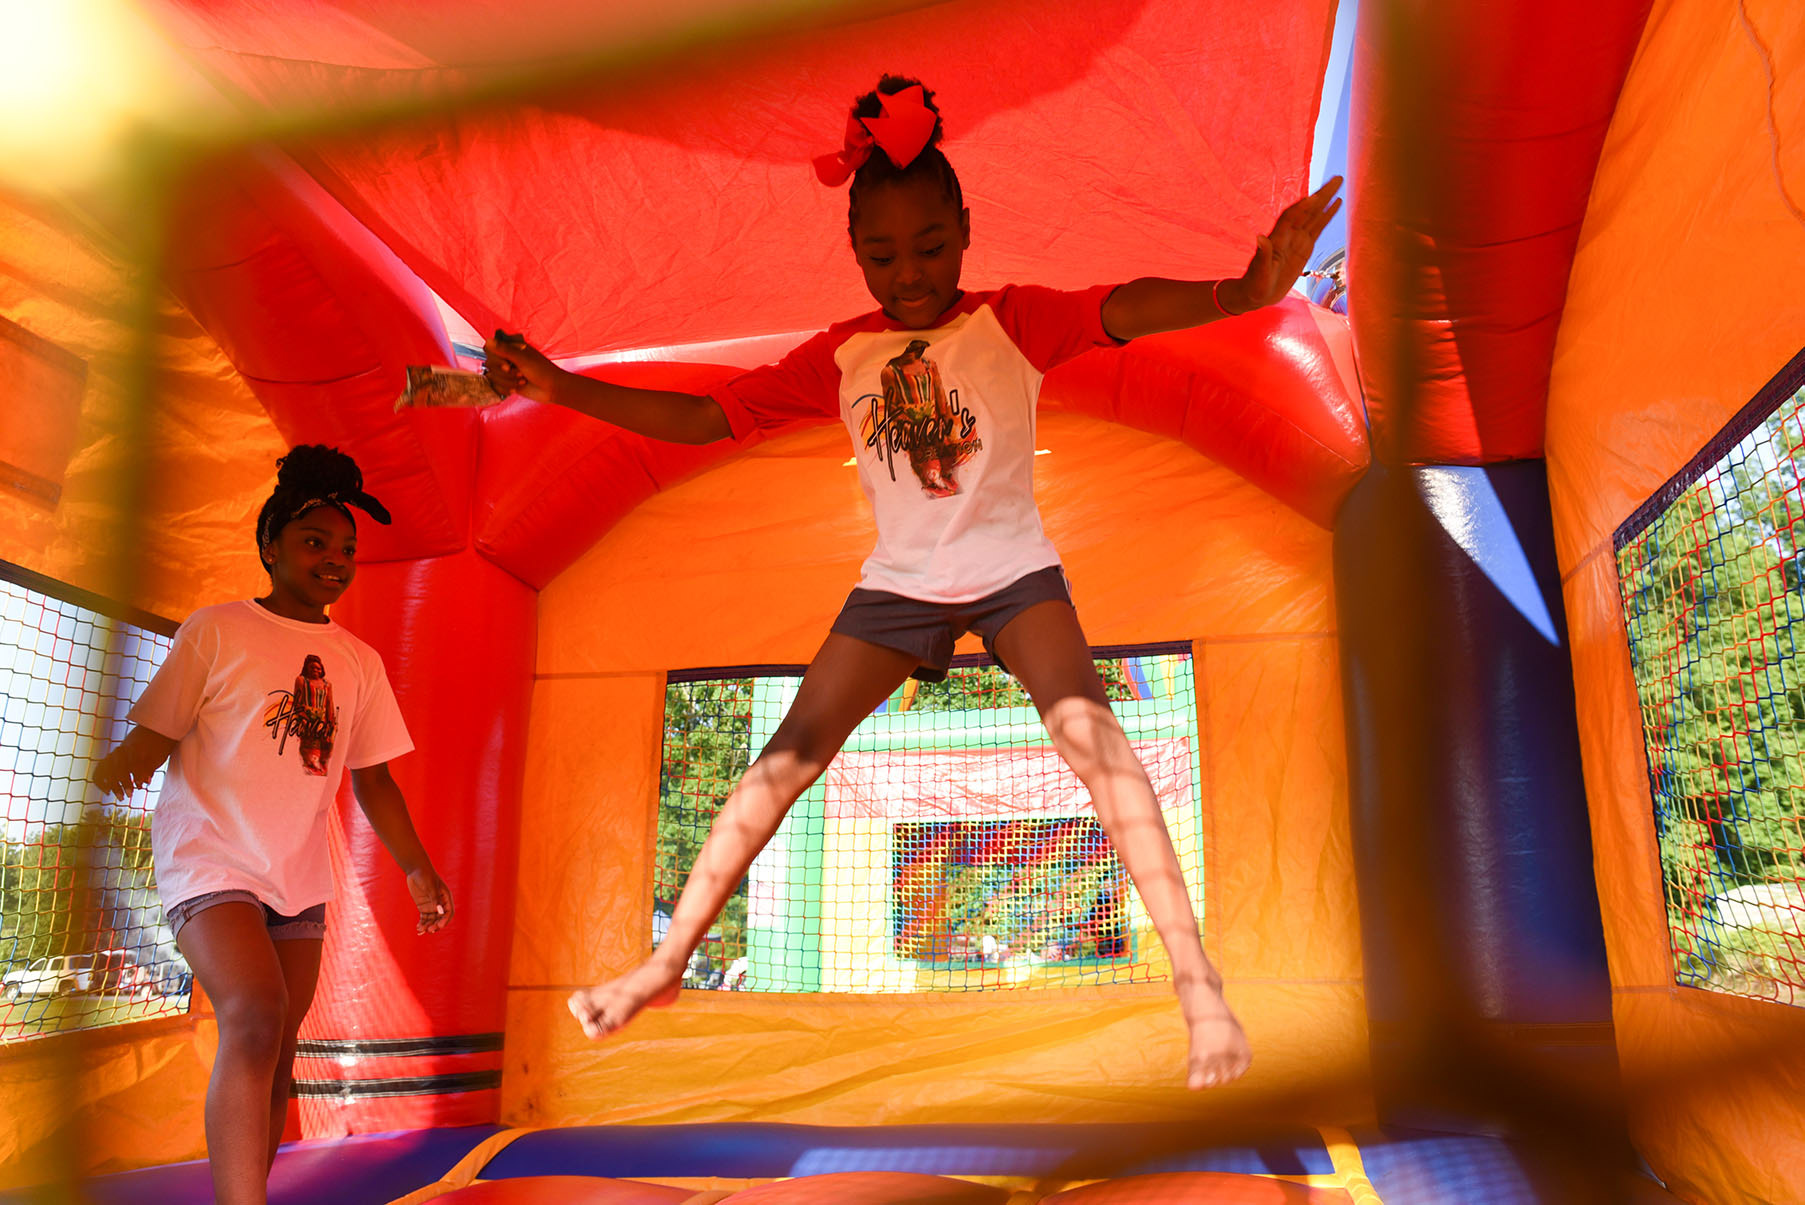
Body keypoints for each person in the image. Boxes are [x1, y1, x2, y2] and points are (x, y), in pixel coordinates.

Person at [484, 76, 1340, 1091]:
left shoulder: (1012, 322)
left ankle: (1197, 981)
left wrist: (1239, 296)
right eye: (884, 256)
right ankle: (667, 962)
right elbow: (706, 418)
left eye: (930, 248)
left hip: (1012, 571)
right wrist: (558, 385)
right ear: (854, 254)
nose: (910, 274)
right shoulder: (840, 356)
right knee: (786, 754)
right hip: (897, 585)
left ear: (965, 231)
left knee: (1091, 737)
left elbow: (1123, 309)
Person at [90, 445, 455, 1205]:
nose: (334, 560)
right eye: (314, 542)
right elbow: (160, 728)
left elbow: (375, 777)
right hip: (211, 861)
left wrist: (417, 866)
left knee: (278, 1041)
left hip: (296, 875)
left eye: (347, 549)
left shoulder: (357, 662)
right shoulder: (216, 629)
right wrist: (124, 757)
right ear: (270, 549)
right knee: (254, 1013)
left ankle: (246, 1187)